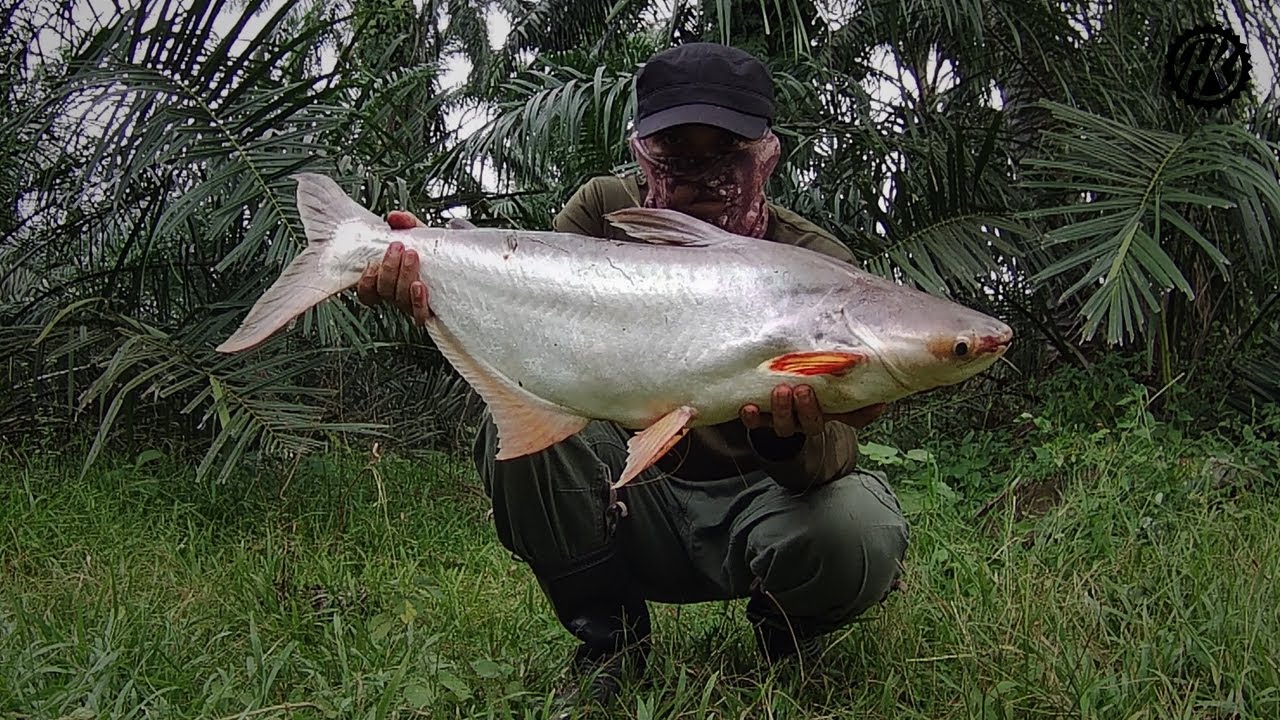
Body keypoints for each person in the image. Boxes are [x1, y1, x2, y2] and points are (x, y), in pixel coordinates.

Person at [355, 42, 910, 707]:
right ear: (644, 148)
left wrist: (786, 438)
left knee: (858, 524)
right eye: (678, 153)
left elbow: (835, 458)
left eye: (724, 154)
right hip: (633, 495)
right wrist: (436, 275)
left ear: (765, 153)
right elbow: (531, 324)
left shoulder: (820, 266)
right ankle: (610, 640)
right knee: (526, 437)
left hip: (766, 506)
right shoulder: (601, 212)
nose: (701, 177)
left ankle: (789, 634)